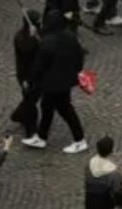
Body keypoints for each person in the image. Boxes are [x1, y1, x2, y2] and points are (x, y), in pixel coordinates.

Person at [22, 10, 88, 153]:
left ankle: (79, 139)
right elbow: (79, 55)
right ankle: (41, 136)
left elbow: (38, 64)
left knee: (65, 110)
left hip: (53, 84)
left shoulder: (48, 41)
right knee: (47, 106)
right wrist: (76, 70)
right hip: (66, 80)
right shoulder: (70, 35)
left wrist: (30, 80)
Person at [10, 10, 41, 138]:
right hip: (26, 76)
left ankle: (18, 115)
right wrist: (33, 38)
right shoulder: (21, 38)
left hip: (36, 73)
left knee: (31, 99)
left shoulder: (35, 34)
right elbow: (27, 53)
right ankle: (30, 128)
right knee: (30, 102)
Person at [84, 136, 122, 209]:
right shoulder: (113, 172)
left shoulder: (90, 163)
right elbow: (117, 190)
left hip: (90, 199)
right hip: (105, 202)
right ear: (111, 151)